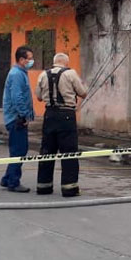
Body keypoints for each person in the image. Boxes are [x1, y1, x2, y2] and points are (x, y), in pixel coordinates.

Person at [36, 53, 88, 197]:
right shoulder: (71, 74)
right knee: (69, 151)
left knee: (47, 151)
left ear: (54, 62)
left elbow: (39, 97)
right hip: (66, 115)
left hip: (49, 115)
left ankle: (44, 186)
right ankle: (69, 188)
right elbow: (83, 93)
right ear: (66, 62)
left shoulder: (43, 75)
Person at [0, 46, 36, 193]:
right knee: (19, 151)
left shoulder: (20, 73)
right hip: (16, 118)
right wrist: (24, 115)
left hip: (16, 117)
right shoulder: (17, 75)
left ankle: (7, 178)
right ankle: (13, 182)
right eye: (29, 59)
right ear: (21, 60)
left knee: (18, 149)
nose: (32, 61)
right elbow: (17, 97)